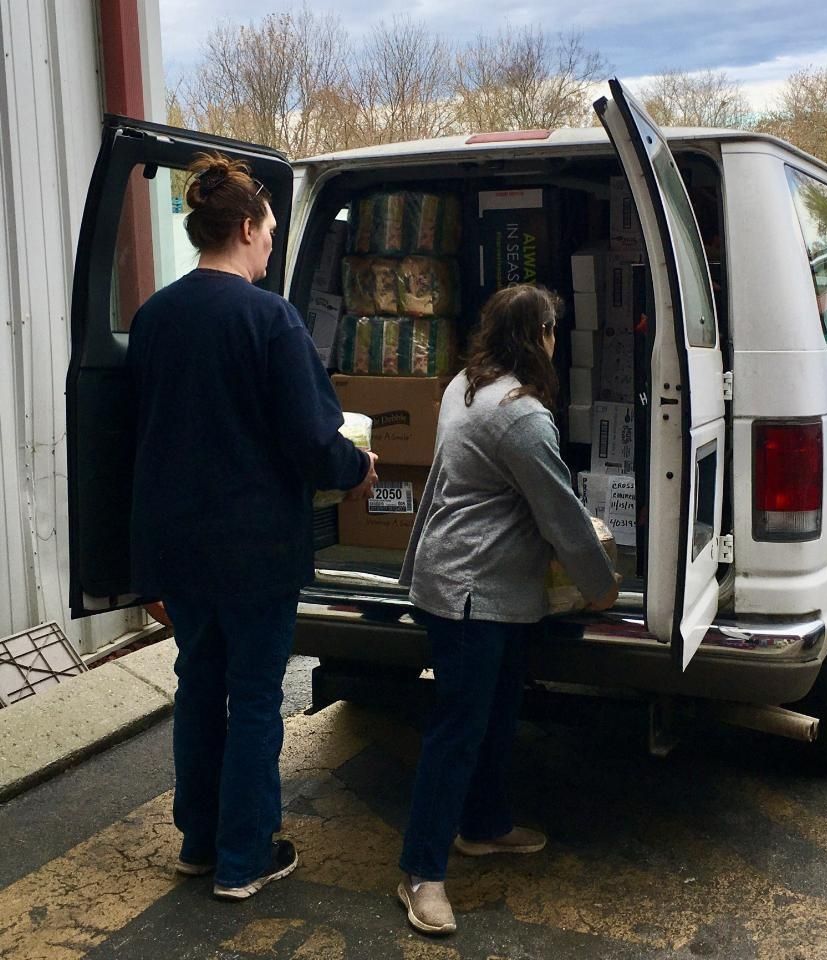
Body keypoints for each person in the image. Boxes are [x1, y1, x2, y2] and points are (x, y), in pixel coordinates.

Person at [127, 151, 378, 901]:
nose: (271, 245)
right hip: (255, 551)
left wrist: (142, 568)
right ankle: (245, 858)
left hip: (181, 549)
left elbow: (137, 444)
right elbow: (311, 438)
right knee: (256, 696)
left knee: (199, 685)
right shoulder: (270, 319)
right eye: (269, 231)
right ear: (244, 227)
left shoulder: (153, 317)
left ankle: (199, 844)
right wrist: (354, 470)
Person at [397, 283, 620, 935]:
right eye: (552, 332)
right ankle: (419, 874)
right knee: (459, 730)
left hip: (467, 581)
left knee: (494, 714)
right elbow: (562, 515)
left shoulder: (464, 385)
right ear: (540, 336)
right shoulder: (521, 413)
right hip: (475, 591)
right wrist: (601, 586)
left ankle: (484, 826)